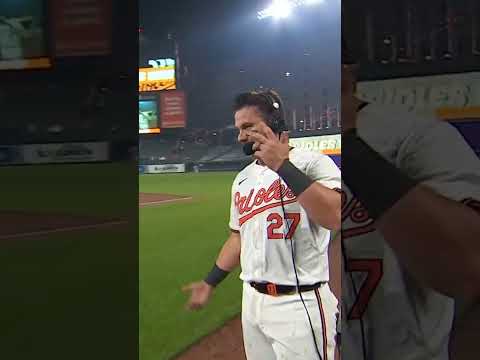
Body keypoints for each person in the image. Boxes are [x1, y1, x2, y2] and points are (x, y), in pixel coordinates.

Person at [340, 36, 480, 359]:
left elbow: (470, 265)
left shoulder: (415, 136)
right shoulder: (285, 154)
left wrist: (350, 143)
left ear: (347, 74)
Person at [183, 89, 342, 359]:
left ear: (275, 124)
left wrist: (282, 165)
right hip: (253, 302)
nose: (240, 137)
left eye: (248, 127)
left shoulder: (313, 162)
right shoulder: (243, 178)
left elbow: (335, 215)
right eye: (238, 129)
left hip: (298, 303)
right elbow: (238, 238)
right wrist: (210, 282)